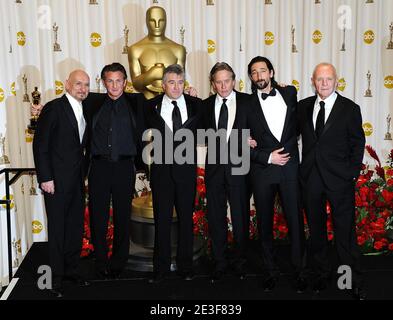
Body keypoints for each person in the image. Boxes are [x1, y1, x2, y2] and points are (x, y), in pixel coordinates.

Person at [298, 63, 366, 299]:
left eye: (328, 79)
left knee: (344, 232)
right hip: (312, 178)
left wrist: (352, 173)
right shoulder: (303, 107)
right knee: (316, 231)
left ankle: (350, 279)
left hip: (340, 179)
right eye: (320, 79)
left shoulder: (350, 108)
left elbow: (358, 143)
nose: (324, 83)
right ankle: (320, 274)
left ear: (336, 80)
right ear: (313, 81)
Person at [247, 56, 307, 293]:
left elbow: (300, 125)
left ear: (271, 72)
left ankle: (300, 271)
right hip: (263, 171)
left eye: (263, 70)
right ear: (251, 77)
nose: (259, 76)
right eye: (254, 72)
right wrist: (266, 156)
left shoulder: (290, 93)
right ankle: (270, 271)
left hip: (290, 169)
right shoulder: (245, 103)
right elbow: (238, 140)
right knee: (264, 224)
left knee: (295, 221)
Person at [33, 70, 91, 298]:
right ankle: (55, 278)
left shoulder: (85, 108)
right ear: (67, 84)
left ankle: (71, 271)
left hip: (76, 181)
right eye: (78, 84)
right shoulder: (53, 107)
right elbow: (41, 145)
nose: (82, 88)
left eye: (86, 85)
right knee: (58, 230)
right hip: (55, 182)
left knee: (75, 228)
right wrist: (45, 177)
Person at [84, 63, 145, 279]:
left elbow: (164, 103)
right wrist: (42, 108)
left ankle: (119, 261)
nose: (114, 85)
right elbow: (68, 106)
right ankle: (100, 260)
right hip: (98, 167)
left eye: (119, 80)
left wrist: (190, 94)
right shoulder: (92, 102)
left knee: (122, 216)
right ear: (103, 82)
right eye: (110, 81)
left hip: (124, 167)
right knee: (98, 217)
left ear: (125, 82)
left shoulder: (137, 102)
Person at [144, 64, 202, 283]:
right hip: (161, 173)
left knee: (186, 220)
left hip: (186, 172)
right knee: (162, 220)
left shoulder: (197, 105)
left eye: (180, 82)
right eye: (171, 82)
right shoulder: (150, 106)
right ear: (163, 85)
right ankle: (161, 269)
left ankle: (186, 267)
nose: (176, 87)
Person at [203, 62, 250, 283]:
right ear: (212, 84)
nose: (223, 86)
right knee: (216, 217)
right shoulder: (204, 105)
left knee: (240, 217)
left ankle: (241, 262)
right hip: (214, 171)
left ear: (234, 80)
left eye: (227, 81)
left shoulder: (248, 102)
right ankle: (220, 263)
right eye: (218, 82)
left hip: (240, 169)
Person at [128, 6, 186, 99]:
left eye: (161, 20)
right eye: (152, 21)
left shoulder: (178, 49)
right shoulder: (135, 49)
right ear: (146, 21)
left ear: (166, 21)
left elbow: (181, 82)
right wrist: (151, 75)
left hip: (172, 104)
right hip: (146, 104)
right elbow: (136, 84)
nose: (157, 25)